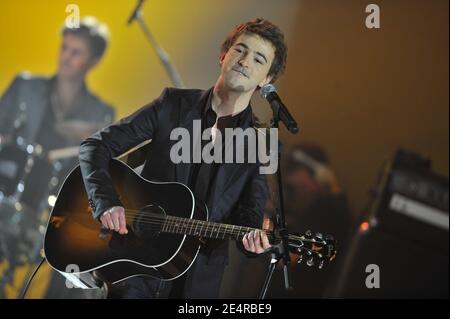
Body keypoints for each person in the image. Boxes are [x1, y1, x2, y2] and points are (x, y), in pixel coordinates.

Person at [78, 18, 288, 299]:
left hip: (196, 281)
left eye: (259, 58)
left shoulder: (263, 144)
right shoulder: (173, 105)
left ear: (266, 79)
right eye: (241, 50)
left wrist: (252, 240)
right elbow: (95, 147)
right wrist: (105, 202)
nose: (245, 61)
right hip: (136, 266)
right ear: (224, 54)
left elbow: (248, 213)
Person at [0, 16, 115, 298]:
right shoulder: (25, 86)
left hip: (53, 211)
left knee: (79, 263)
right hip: (8, 193)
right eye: (65, 48)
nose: (65, 57)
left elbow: (91, 169)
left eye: (76, 52)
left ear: (94, 61)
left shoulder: (100, 113)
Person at [265, 141, 353, 298]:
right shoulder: (328, 208)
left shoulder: (329, 212)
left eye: (294, 187)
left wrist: (263, 221)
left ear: (316, 174)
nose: (294, 194)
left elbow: (284, 258)